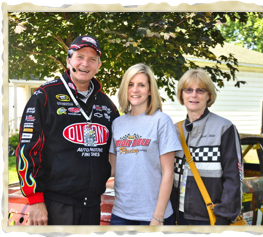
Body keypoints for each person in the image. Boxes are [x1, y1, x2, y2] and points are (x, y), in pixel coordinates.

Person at [15, 35, 119, 225]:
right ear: (68, 60)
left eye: (92, 59)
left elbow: (120, 150)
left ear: (98, 66)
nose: (85, 63)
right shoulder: (44, 96)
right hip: (56, 204)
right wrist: (35, 200)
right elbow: (27, 149)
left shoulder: (107, 104)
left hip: (93, 205)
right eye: (79, 56)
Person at [108, 63, 181, 225]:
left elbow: (168, 173)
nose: (135, 90)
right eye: (130, 84)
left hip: (152, 215)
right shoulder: (117, 123)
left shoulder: (161, 121)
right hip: (121, 214)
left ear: (149, 90)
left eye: (141, 85)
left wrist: (158, 216)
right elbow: (113, 168)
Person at [171, 68, 243, 225]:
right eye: (188, 90)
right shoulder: (174, 130)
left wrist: (223, 217)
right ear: (182, 95)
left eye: (200, 90)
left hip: (211, 218)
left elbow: (234, 178)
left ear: (209, 95)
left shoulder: (224, 128)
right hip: (178, 216)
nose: (194, 95)